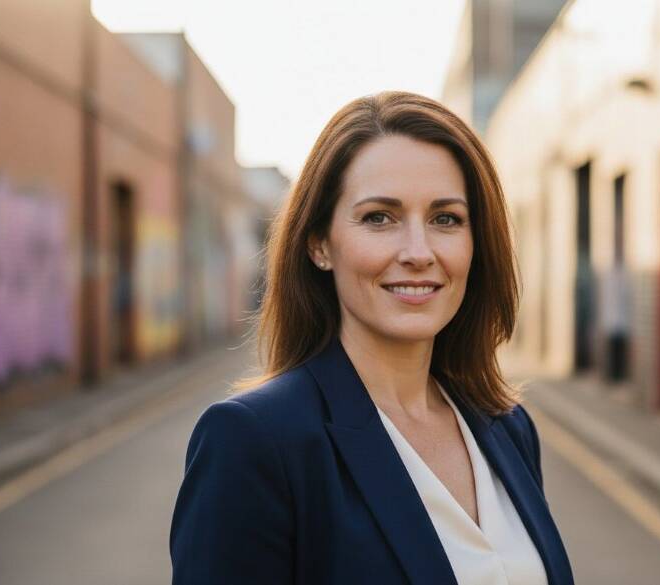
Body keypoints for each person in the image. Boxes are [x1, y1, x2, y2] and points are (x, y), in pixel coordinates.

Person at [169, 91, 574, 585]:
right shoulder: (254, 442)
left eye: (446, 218)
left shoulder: (508, 427)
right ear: (320, 243)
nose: (418, 252)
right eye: (379, 217)